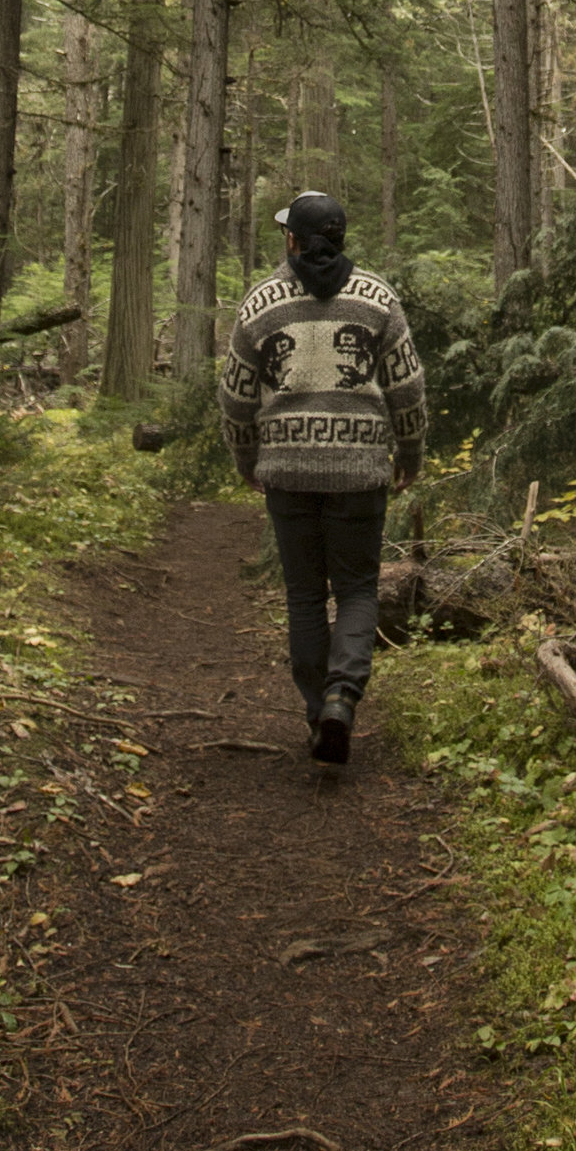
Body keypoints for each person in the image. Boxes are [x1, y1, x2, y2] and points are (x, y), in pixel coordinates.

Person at [217, 190, 426, 766]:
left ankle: (317, 712)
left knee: (306, 594)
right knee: (358, 589)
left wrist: (245, 458)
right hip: (360, 470)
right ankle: (342, 696)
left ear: (293, 240)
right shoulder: (377, 298)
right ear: (340, 238)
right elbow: (406, 387)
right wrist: (409, 451)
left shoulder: (261, 302)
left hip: (287, 470)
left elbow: (235, 397)